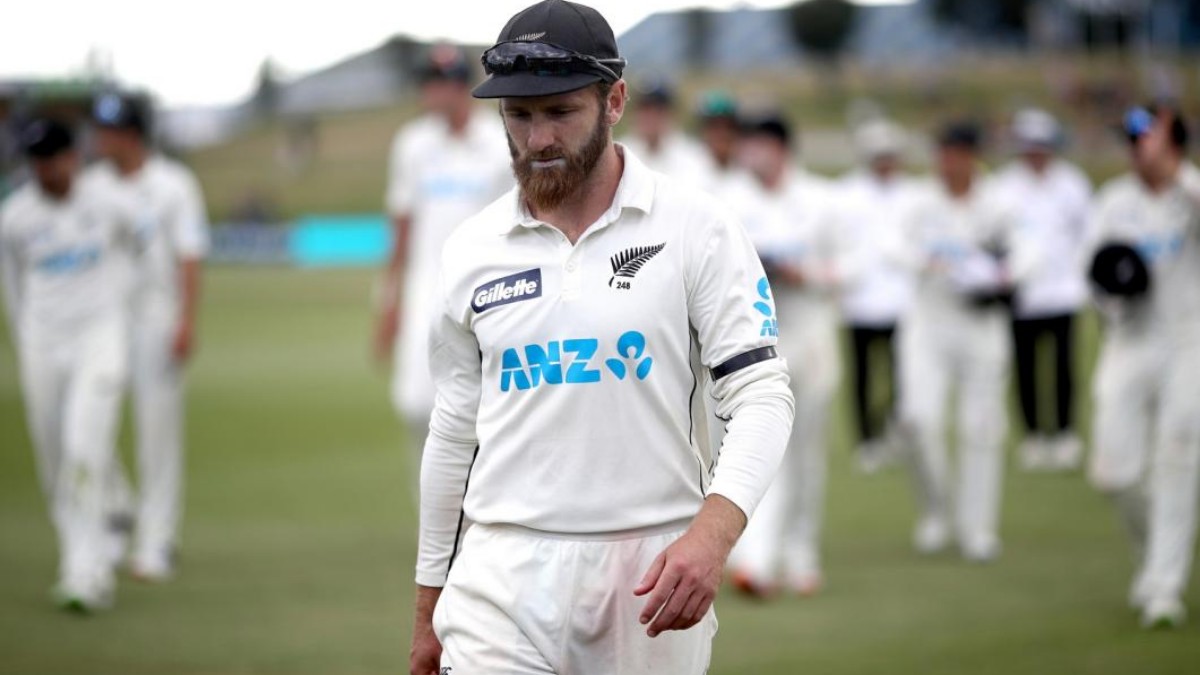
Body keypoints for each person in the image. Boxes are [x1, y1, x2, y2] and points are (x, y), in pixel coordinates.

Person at [408, 2, 795, 673]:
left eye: (560, 112)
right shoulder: (471, 248)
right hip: (499, 572)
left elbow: (761, 394)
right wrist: (428, 608)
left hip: (651, 575)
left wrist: (711, 536)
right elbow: (452, 432)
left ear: (614, 100)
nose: (537, 139)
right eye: (518, 116)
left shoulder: (697, 226)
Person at [0, 119, 138, 611]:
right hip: (42, 343)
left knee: (83, 447)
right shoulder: (15, 217)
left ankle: (86, 571)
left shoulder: (110, 202)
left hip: (99, 339)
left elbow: (142, 246)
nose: (44, 170)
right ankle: (113, 507)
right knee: (55, 458)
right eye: (35, 161)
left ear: (72, 158)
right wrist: (27, 339)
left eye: (51, 160)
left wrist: (124, 314)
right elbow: (13, 289)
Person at [84, 92, 211, 581]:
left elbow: (189, 254)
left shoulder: (173, 184)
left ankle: (157, 540)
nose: (100, 140)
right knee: (88, 424)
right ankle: (117, 511)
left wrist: (186, 320)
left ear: (132, 135)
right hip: (100, 319)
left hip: (156, 317)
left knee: (156, 434)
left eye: (109, 131)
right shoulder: (91, 186)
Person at [1086, 104, 1200, 629]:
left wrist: (1176, 175)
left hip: (1187, 340)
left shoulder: (1191, 192)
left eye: (1145, 139)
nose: (1135, 150)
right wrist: (1114, 290)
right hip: (1129, 340)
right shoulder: (1114, 201)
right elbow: (1092, 269)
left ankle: (1163, 587)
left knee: (1177, 456)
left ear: (1172, 144)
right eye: (1130, 141)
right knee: (1113, 473)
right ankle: (1154, 557)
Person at [373, 44, 511, 469]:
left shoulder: (499, 141)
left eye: (440, 83)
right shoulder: (413, 144)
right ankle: (431, 508)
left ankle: (477, 507)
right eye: (427, 83)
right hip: (424, 288)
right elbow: (402, 226)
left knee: (485, 412)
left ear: (461, 85)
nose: (431, 93)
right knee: (416, 404)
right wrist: (388, 300)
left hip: (487, 289)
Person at [722, 112, 840, 598]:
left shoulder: (820, 200)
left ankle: (800, 554)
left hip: (812, 333)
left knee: (806, 450)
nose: (753, 154)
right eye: (748, 144)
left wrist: (804, 273)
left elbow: (852, 268)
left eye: (762, 144)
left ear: (783, 150)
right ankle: (757, 559)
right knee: (759, 445)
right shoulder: (729, 199)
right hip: (757, 340)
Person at [895, 122, 1024, 562]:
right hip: (928, 325)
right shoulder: (919, 200)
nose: (947, 163)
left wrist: (1006, 274)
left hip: (981, 327)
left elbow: (1030, 249)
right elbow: (889, 244)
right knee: (917, 421)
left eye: (956, 153)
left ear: (972, 156)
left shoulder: (999, 203)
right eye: (942, 153)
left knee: (981, 428)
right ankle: (936, 511)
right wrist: (925, 260)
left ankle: (978, 527)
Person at [991, 109, 1092, 471]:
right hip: (1022, 294)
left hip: (1064, 291)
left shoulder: (1073, 184)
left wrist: (1081, 279)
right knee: (1025, 368)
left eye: (1041, 146)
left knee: (1063, 366)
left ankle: (1064, 433)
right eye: (1029, 146)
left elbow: (1087, 234)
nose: (1035, 153)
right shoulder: (1003, 187)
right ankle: (1032, 435)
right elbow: (995, 238)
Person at [836, 119, 919, 473]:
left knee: (902, 375)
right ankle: (867, 439)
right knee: (863, 375)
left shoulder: (915, 195)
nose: (885, 163)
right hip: (859, 301)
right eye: (879, 157)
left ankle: (893, 431)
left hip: (903, 302)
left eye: (890, 156)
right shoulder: (846, 193)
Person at [619, 78, 714, 188]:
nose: (651, 116)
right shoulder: (621, 154)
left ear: (671, 114)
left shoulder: (695, 156)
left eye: (658, 109)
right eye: (645, 109)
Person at [694, 90, 746, 193]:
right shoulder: (687, 176)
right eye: (715, 127)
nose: (722, 134)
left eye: (728, 127)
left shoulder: (747, 176)